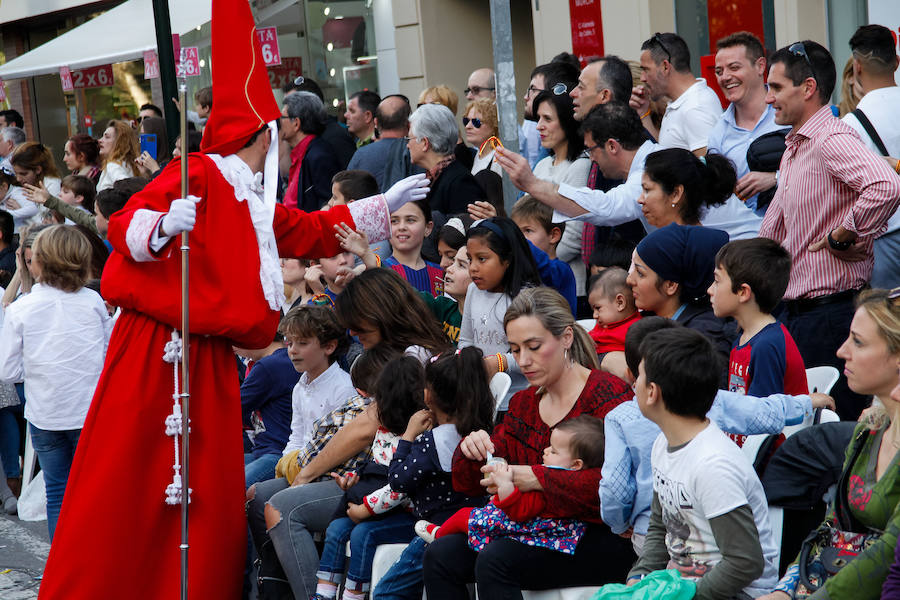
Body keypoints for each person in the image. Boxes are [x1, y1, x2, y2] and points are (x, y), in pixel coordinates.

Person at [36, 0, 428, 594]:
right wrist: (166, 227)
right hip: (159, 354)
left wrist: (382, 205)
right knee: (139, 480)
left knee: (203, 489)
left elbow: (308, 229)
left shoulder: (247, 196)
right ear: (261, 136)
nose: (286, 147)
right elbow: (124, 225)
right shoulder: (197, 172)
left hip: (208, 356)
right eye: (277, 136)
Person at [422, 287, 635, 598]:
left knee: (496, 559)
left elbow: (619, 488)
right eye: (515, 349)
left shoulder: (608, 395)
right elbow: (467, 483)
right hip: (530, 528)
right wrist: (473, 449)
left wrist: (536, 478)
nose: (523, 360)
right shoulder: (523, 403)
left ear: (566, 338)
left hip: (598, 535)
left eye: (533, 347)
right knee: (441, 555)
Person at [247, 270, 448, 598]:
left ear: (380, 313)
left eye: (358, 324)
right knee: (259, 496)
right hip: (364, 472)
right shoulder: (388, 355)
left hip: (396, 483)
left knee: (282, 508)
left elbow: (365, 428)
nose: (352, 333)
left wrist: (307, 472)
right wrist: (307, 469)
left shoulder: (415, 358)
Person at [600, 316, 831, 556]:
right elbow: (761, 412)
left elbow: (615, 489)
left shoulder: (620, 418)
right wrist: (804, 403)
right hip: (703, 532)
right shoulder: (712, 400)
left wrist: (619, 523)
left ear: (633, 375)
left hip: (666, 539)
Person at [759, 40, 900, 420]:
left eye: (775, 87)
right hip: (801, 314)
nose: (768, 98)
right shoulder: (797, 144)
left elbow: (886, 186)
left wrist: (845, 233)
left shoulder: (829, 137)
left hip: (829, 315)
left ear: (807, 89)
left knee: (836, 433)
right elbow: (775, 229)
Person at [763, 289, 900, 600]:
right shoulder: (871, 428)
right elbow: (833, 524)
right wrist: (787, 588)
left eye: (858, 342)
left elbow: (888, 554)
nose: (841, 351)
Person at [623, 327, 778, 596]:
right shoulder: (664, 443)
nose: (633, 383)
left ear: (652, 392)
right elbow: (662, 525)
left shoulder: (712, 466)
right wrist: (640, 576)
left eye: (639, 375)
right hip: (681, 583)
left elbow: (745, 562)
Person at [0, 225, 112, 539]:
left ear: (40, 262)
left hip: (46, 413)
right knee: (91, 492)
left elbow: (7, 371)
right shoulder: (93, 303)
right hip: (87, 411)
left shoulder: (21, 308)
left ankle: (61, 572)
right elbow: (106, 357)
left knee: (57, 492)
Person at [313, 355, 427, 600]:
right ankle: (324, 594)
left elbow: (400, 488)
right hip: (379, 508)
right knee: (335, 528)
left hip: (408, 515)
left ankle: (354, 595)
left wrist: (364, 509)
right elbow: (376, 466)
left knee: (362, 534)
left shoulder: (420, 437)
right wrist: (354, 480)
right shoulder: (384, 431)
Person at [417, 413, 605, 553]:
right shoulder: (558, 476)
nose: (545, 451)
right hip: (529, 527)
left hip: (521, 528)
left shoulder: (552, 484)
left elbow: (520, 511)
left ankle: (438, 535)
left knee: (463, 516)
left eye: (554, 451)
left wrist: (505, 485)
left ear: (575, 465)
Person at [708, 238, 808, 399]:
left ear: (743, 292)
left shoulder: (766, 346)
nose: (710, 290)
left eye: (717, 281)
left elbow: (764, 416)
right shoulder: (744, 338)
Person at [706, 31, 783, 236]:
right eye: (719, 71)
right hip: (749, 245)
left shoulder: (787, 112)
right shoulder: (718, 133)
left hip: (799, 234)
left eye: (734, 67)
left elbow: (820, 170)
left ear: (760, 66)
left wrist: (775, 178)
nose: (725, 77)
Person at [841, 24, 900, 290]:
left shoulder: (850, 125)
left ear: (857, 67)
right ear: (896, 62)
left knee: (888, 324)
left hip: (883, 241)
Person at [460, 217, 541, 408]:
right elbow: (466, 340)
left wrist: (499, 362)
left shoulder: (527, 297)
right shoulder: (473, 291)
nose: (473, 268)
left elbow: (535, 352)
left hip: (518, 399)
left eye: (482, 259)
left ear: (507, 260)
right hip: (480, 398)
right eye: (469, 259)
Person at [627, 223, 732, 364]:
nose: (629, 279)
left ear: (670, 285)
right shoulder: (650, 320)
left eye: (640, 273)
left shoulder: (700, 340)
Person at [531, 85, 590, 309]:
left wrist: (537, 262)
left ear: (566, 120)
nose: (539, 126)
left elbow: (574, 237)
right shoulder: (542, 164)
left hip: (568, 284)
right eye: (538, 118)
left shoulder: (580, 166)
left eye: (547, 118)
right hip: (537, 281)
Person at [630, 32, 723, 155]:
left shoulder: (695, 108)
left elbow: (711, 170)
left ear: (665, 67)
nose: (642, 78)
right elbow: (665, 154)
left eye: (646, 70)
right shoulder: (683, 101)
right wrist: (643, 113)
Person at [239, 326, 300, 488]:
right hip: (264, 450)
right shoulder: (280, 360)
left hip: (276, 452)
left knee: (229, 489)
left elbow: (233, 410)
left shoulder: (270, 365)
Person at [408, 103, 486, 216]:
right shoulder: (433, 178)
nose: (407, 145)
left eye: (409, 138)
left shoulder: (460, 183)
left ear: (425, 143)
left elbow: (464, 228)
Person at [637, 147, 735, 229]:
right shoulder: (716, 240)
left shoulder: (653, 247)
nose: (640, 200)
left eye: (647, 189)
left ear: (676, 194)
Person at [281, 91, 342, 212]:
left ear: (296, 123)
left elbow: (329, 204)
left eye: (282, 117)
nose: (279, 122)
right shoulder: (303, 153)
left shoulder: (319, 156)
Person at [348, 95, 421, 190]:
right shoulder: (416, 151)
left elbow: (347, 192)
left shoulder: (360, 155)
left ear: (376, 122)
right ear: (408, 124)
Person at [284, 77, 357, 169]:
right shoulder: (309, 141)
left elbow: (351, 179)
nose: (285, 112)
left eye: (290, 106)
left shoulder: (334, 138)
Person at [383, 200, 443, 297]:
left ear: (428, 228)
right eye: (394, 221)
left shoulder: (441, 274)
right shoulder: (377, 271)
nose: (401, 227)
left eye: (410, 220)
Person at [587, 267, 640, 354]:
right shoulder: (604, 325)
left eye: (597, 308)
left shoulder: (635, 331)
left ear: (620, 303)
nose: (594, 315)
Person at [23, 173, 98, 234]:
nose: (60, 194)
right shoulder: (66, 214)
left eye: (65, 192)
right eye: (61, 190)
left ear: (78, 198)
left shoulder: (80, 217)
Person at [96, 120, 138, 192]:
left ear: (120, 142)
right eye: (102, 136)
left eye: (107, 137)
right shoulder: (129, 164)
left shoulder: (113, 165)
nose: (100, 140)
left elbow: (127, 188)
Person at [464, 98, 502, 177]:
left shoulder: (499, 159)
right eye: (466, 121)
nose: (468, 126)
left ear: (493, 126)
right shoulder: (477, 155)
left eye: (476, 122)